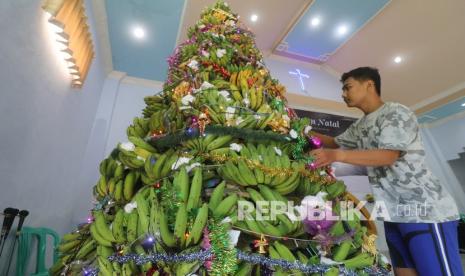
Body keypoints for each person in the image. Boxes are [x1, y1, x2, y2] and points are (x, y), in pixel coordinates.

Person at [308, 67, 463, 276]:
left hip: (424, 212)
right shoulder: (360, 125)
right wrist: (302, 129)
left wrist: (337, 156)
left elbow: (388, 156)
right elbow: (333, 143)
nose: (343, 94)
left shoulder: (395, 112)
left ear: (369, 85)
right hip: (393, 215)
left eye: (348, 87)